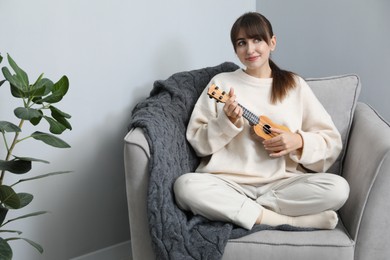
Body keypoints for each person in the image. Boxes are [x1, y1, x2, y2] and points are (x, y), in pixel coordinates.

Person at [173, 12, 349, 230]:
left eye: (257, 40)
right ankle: (288, 221)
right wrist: (225, 121)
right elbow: (198, 143)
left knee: (339, 188)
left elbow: (331, 142)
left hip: (281, 186)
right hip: (229, 183)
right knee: (185, 187)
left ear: (272, 42)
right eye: (241, 43)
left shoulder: (294, 85)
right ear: (235, 50)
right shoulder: (221, 84)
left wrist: (299, 141)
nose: (250, 49)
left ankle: (246, 211)